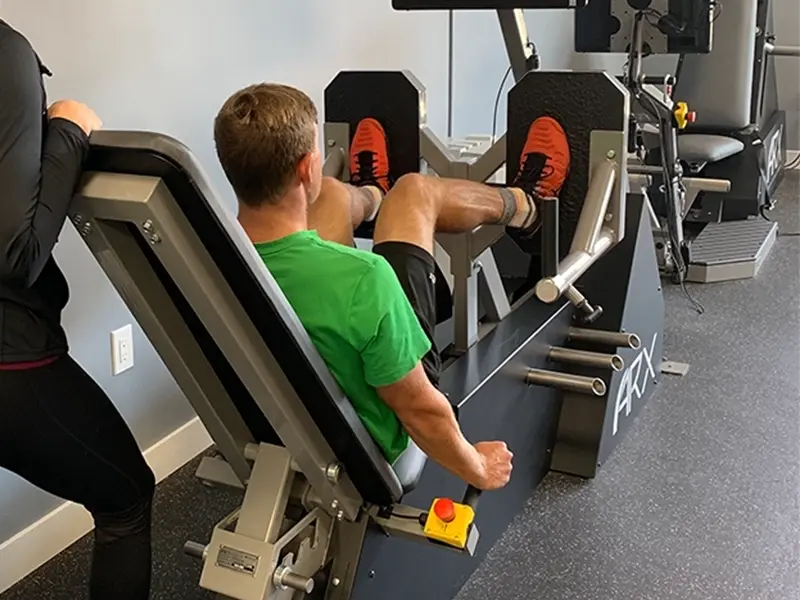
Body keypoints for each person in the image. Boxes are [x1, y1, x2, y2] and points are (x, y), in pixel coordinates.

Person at [213, 83, 570, 492]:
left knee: (331, 195)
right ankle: (526, 205)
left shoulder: (211, 259)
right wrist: (477, 467)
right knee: (416, 191)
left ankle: (374, 192)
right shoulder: (366, 276)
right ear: (306, 167)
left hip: (280, 424)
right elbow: (419, 410)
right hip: (373, 445)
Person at [0, 20, 155, 600]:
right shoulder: (5, 53)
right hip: (12, 363)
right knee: (127, 496)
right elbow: (17, 255)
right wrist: (67, 128)